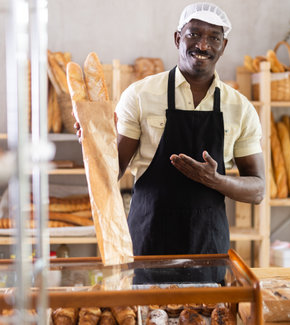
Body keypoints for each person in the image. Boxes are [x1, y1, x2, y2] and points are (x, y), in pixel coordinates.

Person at [77, 2, 265, 259]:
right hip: (148, 243)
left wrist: (216, 181)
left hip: (207, 248)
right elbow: (113, 171)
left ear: (224, 46)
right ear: (178, 38)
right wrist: (95, 144)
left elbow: (257, 189)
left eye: (214, 38)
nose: (203, 45)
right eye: (194, 34)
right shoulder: (140, 95)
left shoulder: (241, 109)